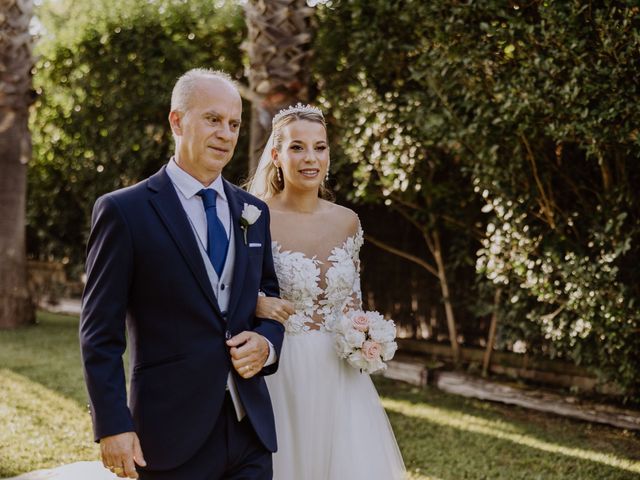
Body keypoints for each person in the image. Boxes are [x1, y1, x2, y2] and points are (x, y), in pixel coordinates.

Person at [79, 68, 285, 480]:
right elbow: (99, 332)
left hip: (250, 430)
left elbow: (268, 294)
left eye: (234, 124)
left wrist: (266, 343)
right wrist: (113, 424)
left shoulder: (254, 212)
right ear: (176, 120)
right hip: (168, 433)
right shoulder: (125, 211)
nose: (226, 134)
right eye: (213, 120)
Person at [247, 104, 406, 479]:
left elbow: (353, 301)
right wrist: (256, 304)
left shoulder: (347, 221)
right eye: (297, 147)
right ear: (276, 156)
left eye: (320, 147)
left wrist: (367, 337)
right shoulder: (254, 217)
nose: (310, 158)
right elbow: (231, 292)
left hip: (341, 376)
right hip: (279, 367)